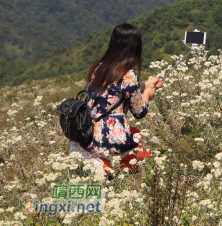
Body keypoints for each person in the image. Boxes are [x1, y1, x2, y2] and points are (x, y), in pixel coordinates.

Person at [69, 23, 162, 175]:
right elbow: (140, 112)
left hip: (86, 133)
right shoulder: (128, 74)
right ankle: (105, 168)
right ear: (135, 47)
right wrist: (148, 94)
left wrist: (144, 85)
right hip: (107, 138)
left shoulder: (99, 67)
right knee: (146, 161)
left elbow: (112, 93)